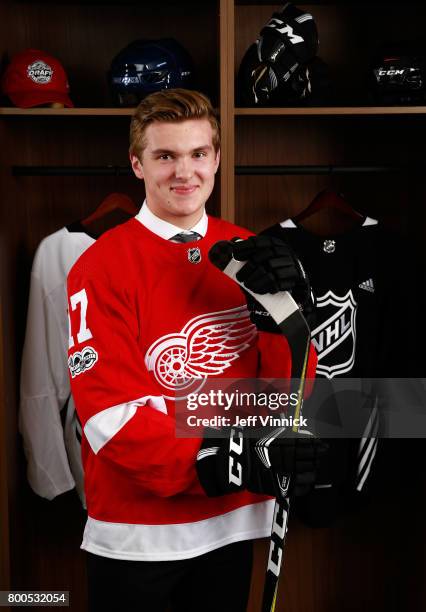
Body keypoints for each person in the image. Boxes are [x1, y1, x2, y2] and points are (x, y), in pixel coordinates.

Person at [67, 88, 319, 612]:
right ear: (137, 164)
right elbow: (110, 419)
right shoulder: (100, 267)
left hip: (230, 525)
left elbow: (287, 389)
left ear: (217, 158)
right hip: (139, 536)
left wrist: (287, 324)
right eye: (165, 156)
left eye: (198, 154)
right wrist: (232, 459)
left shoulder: (249, 251)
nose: (185, 172)